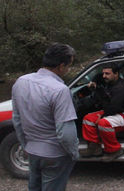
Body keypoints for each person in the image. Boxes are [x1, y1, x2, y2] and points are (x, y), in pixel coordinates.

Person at [12, 43, 79, 191]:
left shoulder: (21, 82)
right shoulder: (60, 90)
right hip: (55, 155)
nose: (68, 70)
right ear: (61, 66)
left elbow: (17, 121)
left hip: (33, 151)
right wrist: (74, 153)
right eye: (69, 66)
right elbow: (65, 133)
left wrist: (26, 145)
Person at [80, 63, 124, 162]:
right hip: (113, 111)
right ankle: (94, 147)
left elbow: (114, 107)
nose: (104, 76)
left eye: (107, 73)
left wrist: (101, 117)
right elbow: (105, 101)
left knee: (103, 123)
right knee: (87, 119)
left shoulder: (121, 87)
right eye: (103, 73)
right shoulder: (110, 84)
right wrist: (96, 89)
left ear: (116, 74)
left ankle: (114, 150)